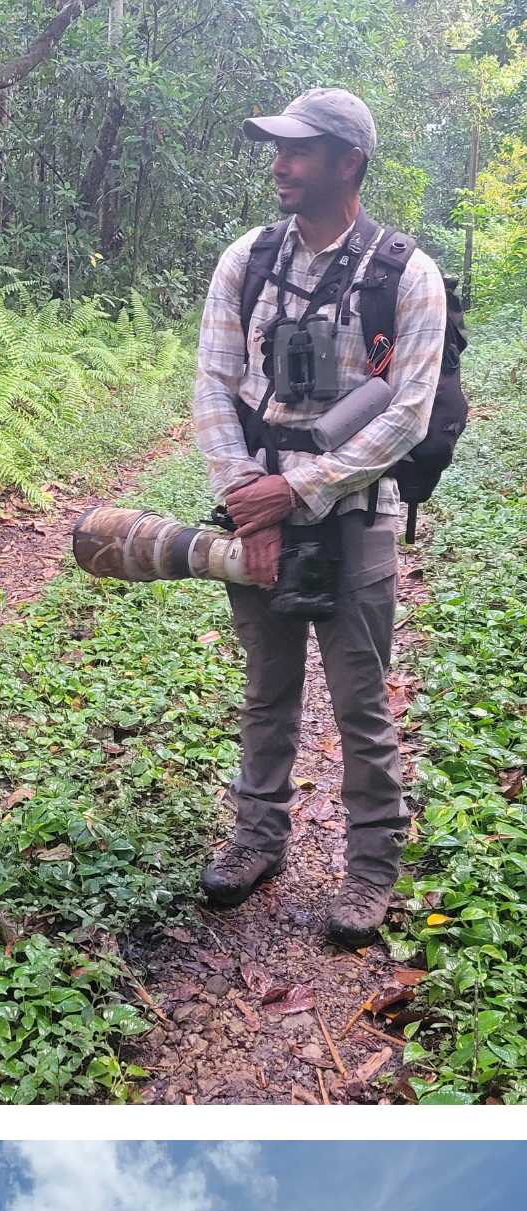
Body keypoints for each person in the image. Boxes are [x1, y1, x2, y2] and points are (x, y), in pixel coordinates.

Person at [191, 86, 446, 946]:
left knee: (360, 702)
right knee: (266, 690)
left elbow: (408, 413)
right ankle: (257, 838)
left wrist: (300, 490)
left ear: (350, 163)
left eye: (301, 150)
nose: (281, 164)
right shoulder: (248, 260)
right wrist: (247, 498)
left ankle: (372, 869)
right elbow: (215, 384)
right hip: (256, 513)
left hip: (357, 515)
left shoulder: (404, 273)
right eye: (278, 148)